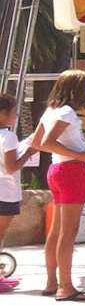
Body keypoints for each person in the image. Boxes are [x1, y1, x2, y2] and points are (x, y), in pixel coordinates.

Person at [28, 71, 85, 302]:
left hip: (56, 170)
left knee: (57, 230)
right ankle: (66, 287)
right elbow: (46, 142)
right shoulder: (67, 112)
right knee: (69, 232)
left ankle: (52, 282)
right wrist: (80, 155)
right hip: (71, 172)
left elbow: (37, 142)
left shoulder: (51, 110)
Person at [0, 93, 29, 291]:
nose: (15, 115)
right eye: (13, 112)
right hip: (6, 192)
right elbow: (12, 167)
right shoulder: (9, 137)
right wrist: (28, 153)